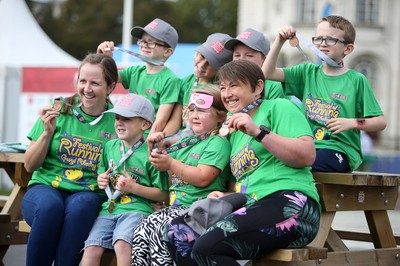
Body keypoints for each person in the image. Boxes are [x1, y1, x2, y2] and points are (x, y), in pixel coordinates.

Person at [164, 60, 321, 266]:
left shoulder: (279, 107)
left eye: (234, 85)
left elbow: (307, 155)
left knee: (207, 247)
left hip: (293, 205)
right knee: (179, 233)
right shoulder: (234, 132)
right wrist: (226, 196)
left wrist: (259, 132)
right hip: (252, 204)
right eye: (222, 87)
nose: (227, 93)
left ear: (258, 87)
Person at [21, 53, 119, 266]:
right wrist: (47, 134)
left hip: (89, 194)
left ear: (110, 87)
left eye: (95, 83)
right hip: (46, 187)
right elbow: (29, 165)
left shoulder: (118, 121)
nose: (86, 88)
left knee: (80, 208)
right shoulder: (59, 109)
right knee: (50, 208)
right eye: (82, 81)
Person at [263, 15, 387, 172]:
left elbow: (380, 122)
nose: (322, 43)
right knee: (271, 164)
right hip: (306, 146)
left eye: (331, 40)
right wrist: (279, 41)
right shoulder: (306, 72)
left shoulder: (357, 80)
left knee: (302, 165)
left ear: (347, 48)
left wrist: (351, 123)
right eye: (319, 38)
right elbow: (267, 73)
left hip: (340, 151)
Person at [131, 84, 233, 266]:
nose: (194, 115)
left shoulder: (218, 142)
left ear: (221, 116)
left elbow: (203, 177)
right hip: (176, 207)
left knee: (160, 232)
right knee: (141, 230)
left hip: (199, 209)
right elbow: (163, 169)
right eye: (191, 110)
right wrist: (154, 149)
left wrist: (171, 162)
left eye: (202, 111)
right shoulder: (186, 141)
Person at [80, 94, 169, 266]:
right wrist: (101, 180)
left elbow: (163, 194)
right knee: (91, 248)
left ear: (145, 124)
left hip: (138, 210)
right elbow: (101, 172)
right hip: (109, 210)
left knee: (122, 244)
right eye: (117, 118)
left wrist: (133, 188)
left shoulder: (152, 155)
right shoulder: (109, 146)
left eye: (126, 119)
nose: (119, 123)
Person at [97, 18, 181, 137]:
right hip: (126, 135)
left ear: (167, 52)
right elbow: (109, 76)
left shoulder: (170, 80)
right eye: (142, 41)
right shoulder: (134, 71)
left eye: (151, 42)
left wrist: (146, 147)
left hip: (145, 138)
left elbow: (160, 122)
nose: (144, 45)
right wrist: (105, 58)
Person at [166, 32, 232, 133]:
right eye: (202, 56)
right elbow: (175, 121)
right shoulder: (186, 82)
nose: (202, 65)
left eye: (210, 63)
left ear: (221, 69)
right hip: (180, 139)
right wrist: (163, 140)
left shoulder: (221, 91)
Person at [224, 27, 284, 100]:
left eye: (249, 55)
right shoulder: (227, 84)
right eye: (237, 55)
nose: (241, 60)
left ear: (265, 59)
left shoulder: (274, 86)